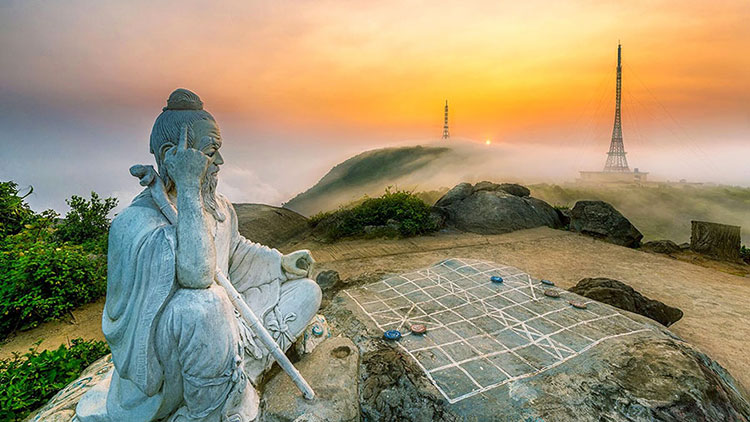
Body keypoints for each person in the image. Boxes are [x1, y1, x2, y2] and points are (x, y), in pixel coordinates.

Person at [76, 88, 321, 422]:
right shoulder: (134, 224)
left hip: (228, 328)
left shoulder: (218, 208)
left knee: (307, 290)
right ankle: (205, 411)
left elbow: (235, 253)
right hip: (170, 362)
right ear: (171, 154)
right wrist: (189, 186)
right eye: (211, 151)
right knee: (203, 305)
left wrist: (280, 263)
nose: (219, 161)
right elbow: (197, 275)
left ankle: (240, 371)